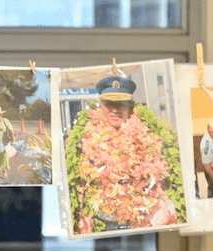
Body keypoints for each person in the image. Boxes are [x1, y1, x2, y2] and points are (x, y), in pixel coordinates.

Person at [68, 75, 180, 233]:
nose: (115, 110)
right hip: (100, 225)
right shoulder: (84, 139)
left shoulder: (150, 137)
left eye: (121, 104)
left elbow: (162, 183)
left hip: (140, 225)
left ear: (130, 108)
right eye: (109, 104)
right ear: (101, 105)